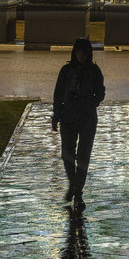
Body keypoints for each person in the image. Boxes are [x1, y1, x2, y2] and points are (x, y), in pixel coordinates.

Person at [51, 37, 105, 210]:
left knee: (83, 157)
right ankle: (74, 186)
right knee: (67, 154)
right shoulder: (66, 71)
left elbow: (100, 91)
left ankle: (78, 195)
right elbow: (58, 94)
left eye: (85, 51)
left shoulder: (94, 71)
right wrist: (56, 115)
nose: (81, 54)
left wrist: (93, 103)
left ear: (89, 53)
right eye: (79, 51)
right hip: (68, 116)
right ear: (74, 52)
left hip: (88, 118)